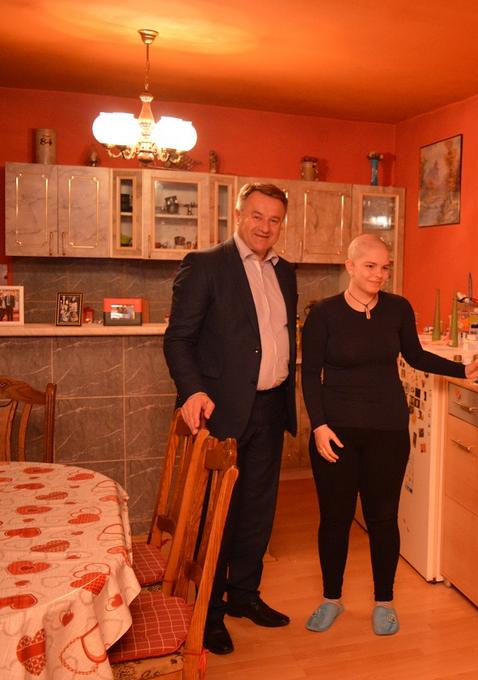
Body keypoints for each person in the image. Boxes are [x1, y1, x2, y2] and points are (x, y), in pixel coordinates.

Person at [301, 234, 478, 636]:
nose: (379, 274)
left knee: (383, 518)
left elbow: (415, 356)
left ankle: (384, 601)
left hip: (387, 430)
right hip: (335, 433)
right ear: (350, 266)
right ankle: (331, 598)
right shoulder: (324, 315)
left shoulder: (398, 309)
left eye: (385, 267)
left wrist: (462, 370)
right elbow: (310, 374)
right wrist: (319, 426)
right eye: (370, 266)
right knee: (334, 519)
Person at [163, 182, 297, 656]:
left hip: (271, 406)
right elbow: (178, 339)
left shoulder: (285, 272)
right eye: (257, 215)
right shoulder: (205, 265)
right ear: (238, 214)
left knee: (257, 511)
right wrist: (194, 391)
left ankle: (244, 595)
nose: (265, 226)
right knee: (214, 517)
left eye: (274, 219)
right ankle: (210, 612)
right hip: (222, 410)